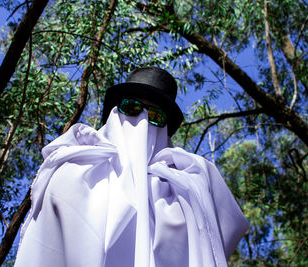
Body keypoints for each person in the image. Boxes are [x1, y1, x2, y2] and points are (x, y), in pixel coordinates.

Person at [14, 67, 250, 267]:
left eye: (155, 115)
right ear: (116, 113)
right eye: (132, 108)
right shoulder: (75, 171)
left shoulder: (186, 190)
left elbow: (221, 233)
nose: (143, 121)